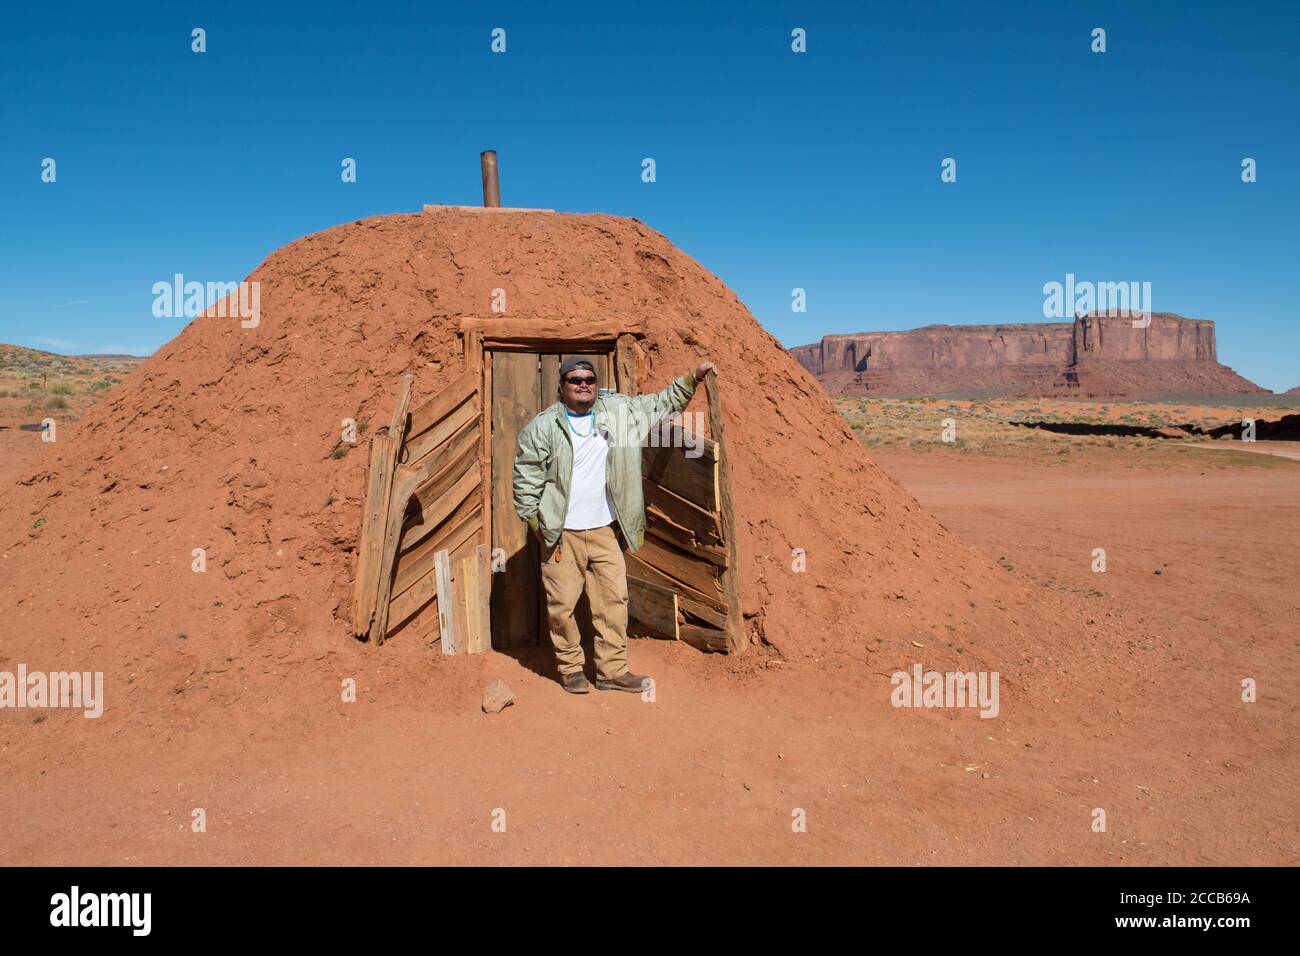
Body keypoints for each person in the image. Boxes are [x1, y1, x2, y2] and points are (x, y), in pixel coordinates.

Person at [513, 356, 717, 694]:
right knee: (561, 607)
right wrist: (540, 526)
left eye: (589, 379)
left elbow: (662, 403)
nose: (583, 384)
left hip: (605, 531)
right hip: (562, 534)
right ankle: (571, 670)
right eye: (575, 379)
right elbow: (525, 479)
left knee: (613, 602)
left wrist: (692, 378)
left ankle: (612, 672)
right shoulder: (543, 427)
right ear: (562, 386)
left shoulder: (620, 414)